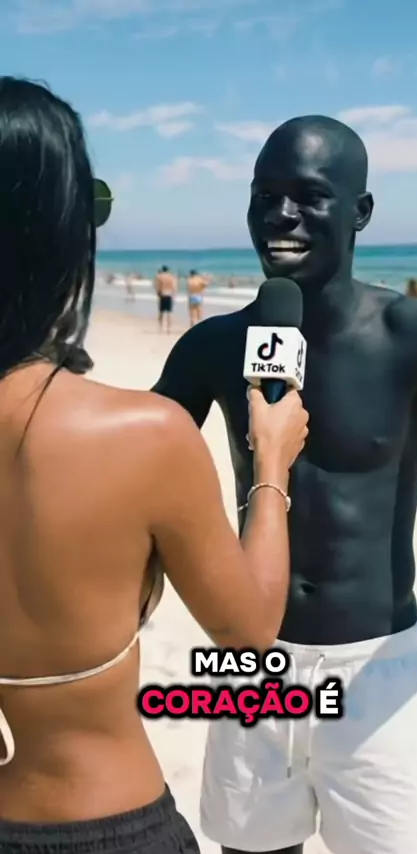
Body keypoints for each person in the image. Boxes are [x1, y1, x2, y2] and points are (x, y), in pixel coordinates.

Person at [153, 114, 417, 854]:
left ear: (360, 211)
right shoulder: (212, 345)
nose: (281, 214)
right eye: (264, 196)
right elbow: (136, 455)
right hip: (250, 663)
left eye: (308, 196)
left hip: (377, 667)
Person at [0, 77, 309, 854]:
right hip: (109, 820)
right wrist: (271, 464)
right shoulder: (143, 435)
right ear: (60, 235)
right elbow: (249, 633)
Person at [155, 265, 177, 332]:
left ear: (162, 270)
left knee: (161, 312)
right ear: (168, 270)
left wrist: (158, 294)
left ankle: (160, 328)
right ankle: (168, 328)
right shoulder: (171, 277)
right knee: (169, 313)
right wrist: (174, 295)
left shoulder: (159, 276)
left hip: (162, 294)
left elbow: (157, 287)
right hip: (169, 294)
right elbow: (174, 287)